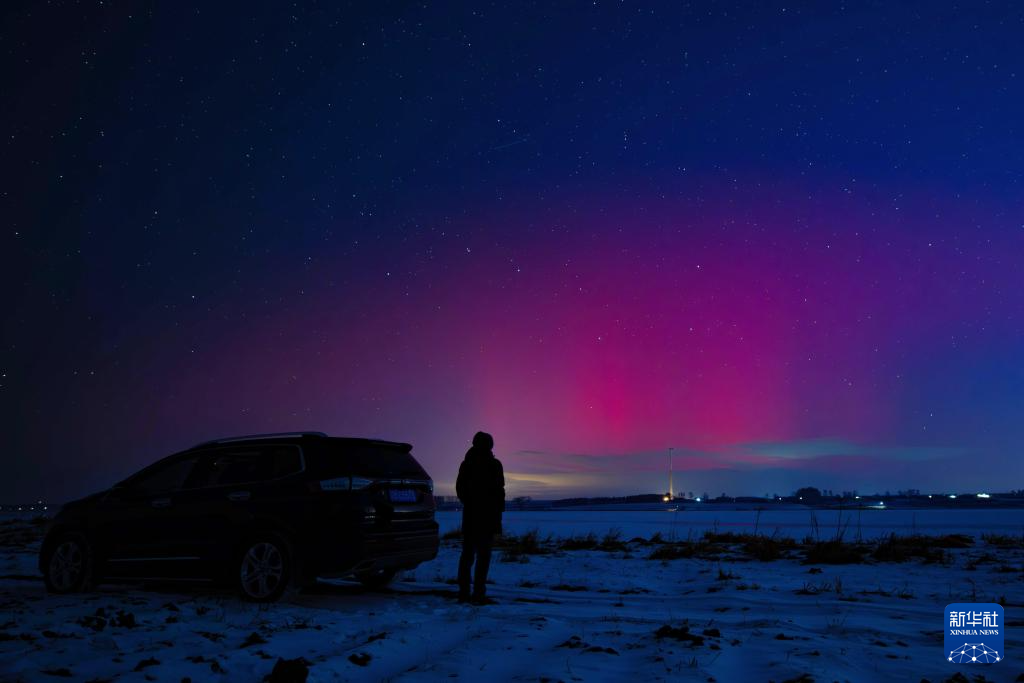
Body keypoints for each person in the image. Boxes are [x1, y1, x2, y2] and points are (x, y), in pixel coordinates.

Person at [455, 431, 505, 604]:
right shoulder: (492, 464)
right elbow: (499, 493)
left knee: (470, 555)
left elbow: (460, 490)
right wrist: (495, 513)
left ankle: (467, 593)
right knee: (480, 556)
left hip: (476, 516)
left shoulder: (468, 464)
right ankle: (475, 593)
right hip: (484, 516)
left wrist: (472, 503)